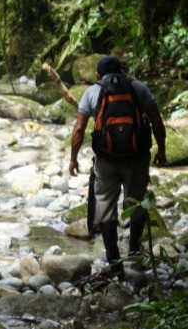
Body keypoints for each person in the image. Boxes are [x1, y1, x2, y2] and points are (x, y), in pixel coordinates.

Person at [69, 55, 167, 276]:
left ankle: (115, 263)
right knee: (136, 204)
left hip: (107, 161)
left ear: (98, 75)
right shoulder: (138, 88)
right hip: (137, 158)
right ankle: (133, 253)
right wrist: (161, 150)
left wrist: (73, 158)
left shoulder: (92, 92)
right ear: (122, 72)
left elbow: (78, 130)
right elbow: (156, 120)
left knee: (105, 209)